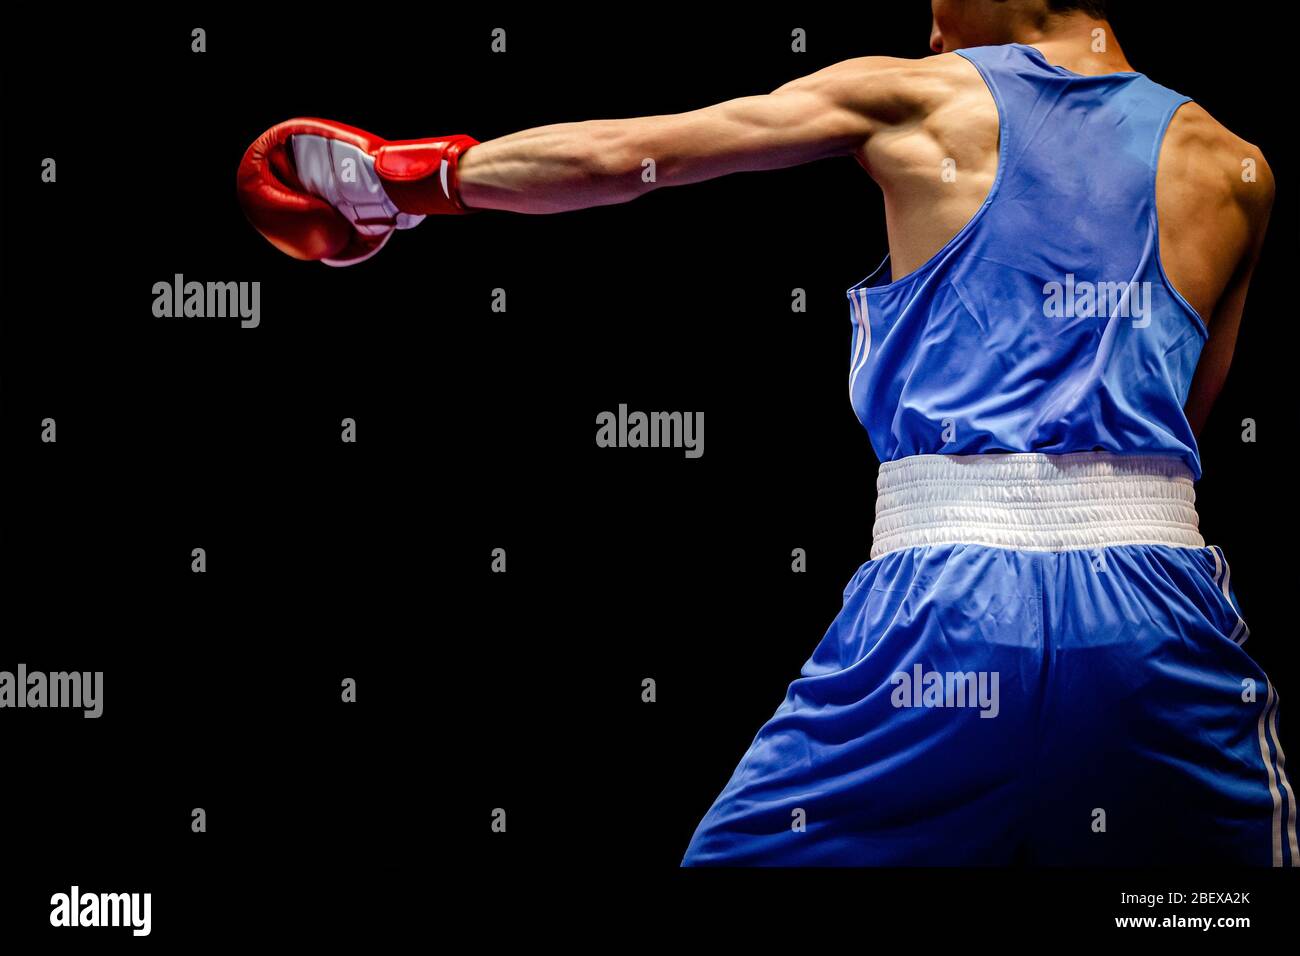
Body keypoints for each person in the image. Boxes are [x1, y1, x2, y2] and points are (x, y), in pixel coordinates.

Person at [237, 0, 1292, 865]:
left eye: (938, 4)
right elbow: (1176, 431)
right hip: (1154, 608)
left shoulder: (919, 93)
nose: (927, 26)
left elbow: (629, 152)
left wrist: (409, 179)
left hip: (943, 610)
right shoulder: (1233, 166)